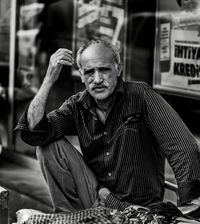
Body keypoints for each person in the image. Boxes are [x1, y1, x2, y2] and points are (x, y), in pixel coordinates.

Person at [15, 39, 200, 213]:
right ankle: (68, 219)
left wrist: (189, 205)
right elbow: (34, 133)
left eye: (104, 70)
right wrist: (49, 80)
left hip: (138, 208)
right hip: (97, 198)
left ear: (118, 69)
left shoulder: (140, 96)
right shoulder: (77, 106)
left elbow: (183, 147)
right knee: (48, 146)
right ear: (81, 75)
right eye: (89, 72)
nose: (96, 79)